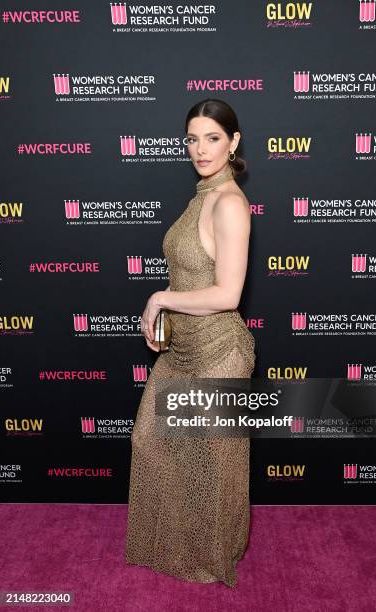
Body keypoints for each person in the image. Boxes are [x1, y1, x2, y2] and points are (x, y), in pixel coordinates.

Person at [125, 98, 256, 588]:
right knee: (152, 442)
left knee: (212, 465)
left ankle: (212, 556)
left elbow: (228, 293)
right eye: (192, 139)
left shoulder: (228, 203)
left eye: (213, 138)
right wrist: (167, 313)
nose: (200, 149)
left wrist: (159, 298)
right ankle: (179, 544)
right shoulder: (200, 195)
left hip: (218, 351)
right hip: (182, 349)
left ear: (234, 142)